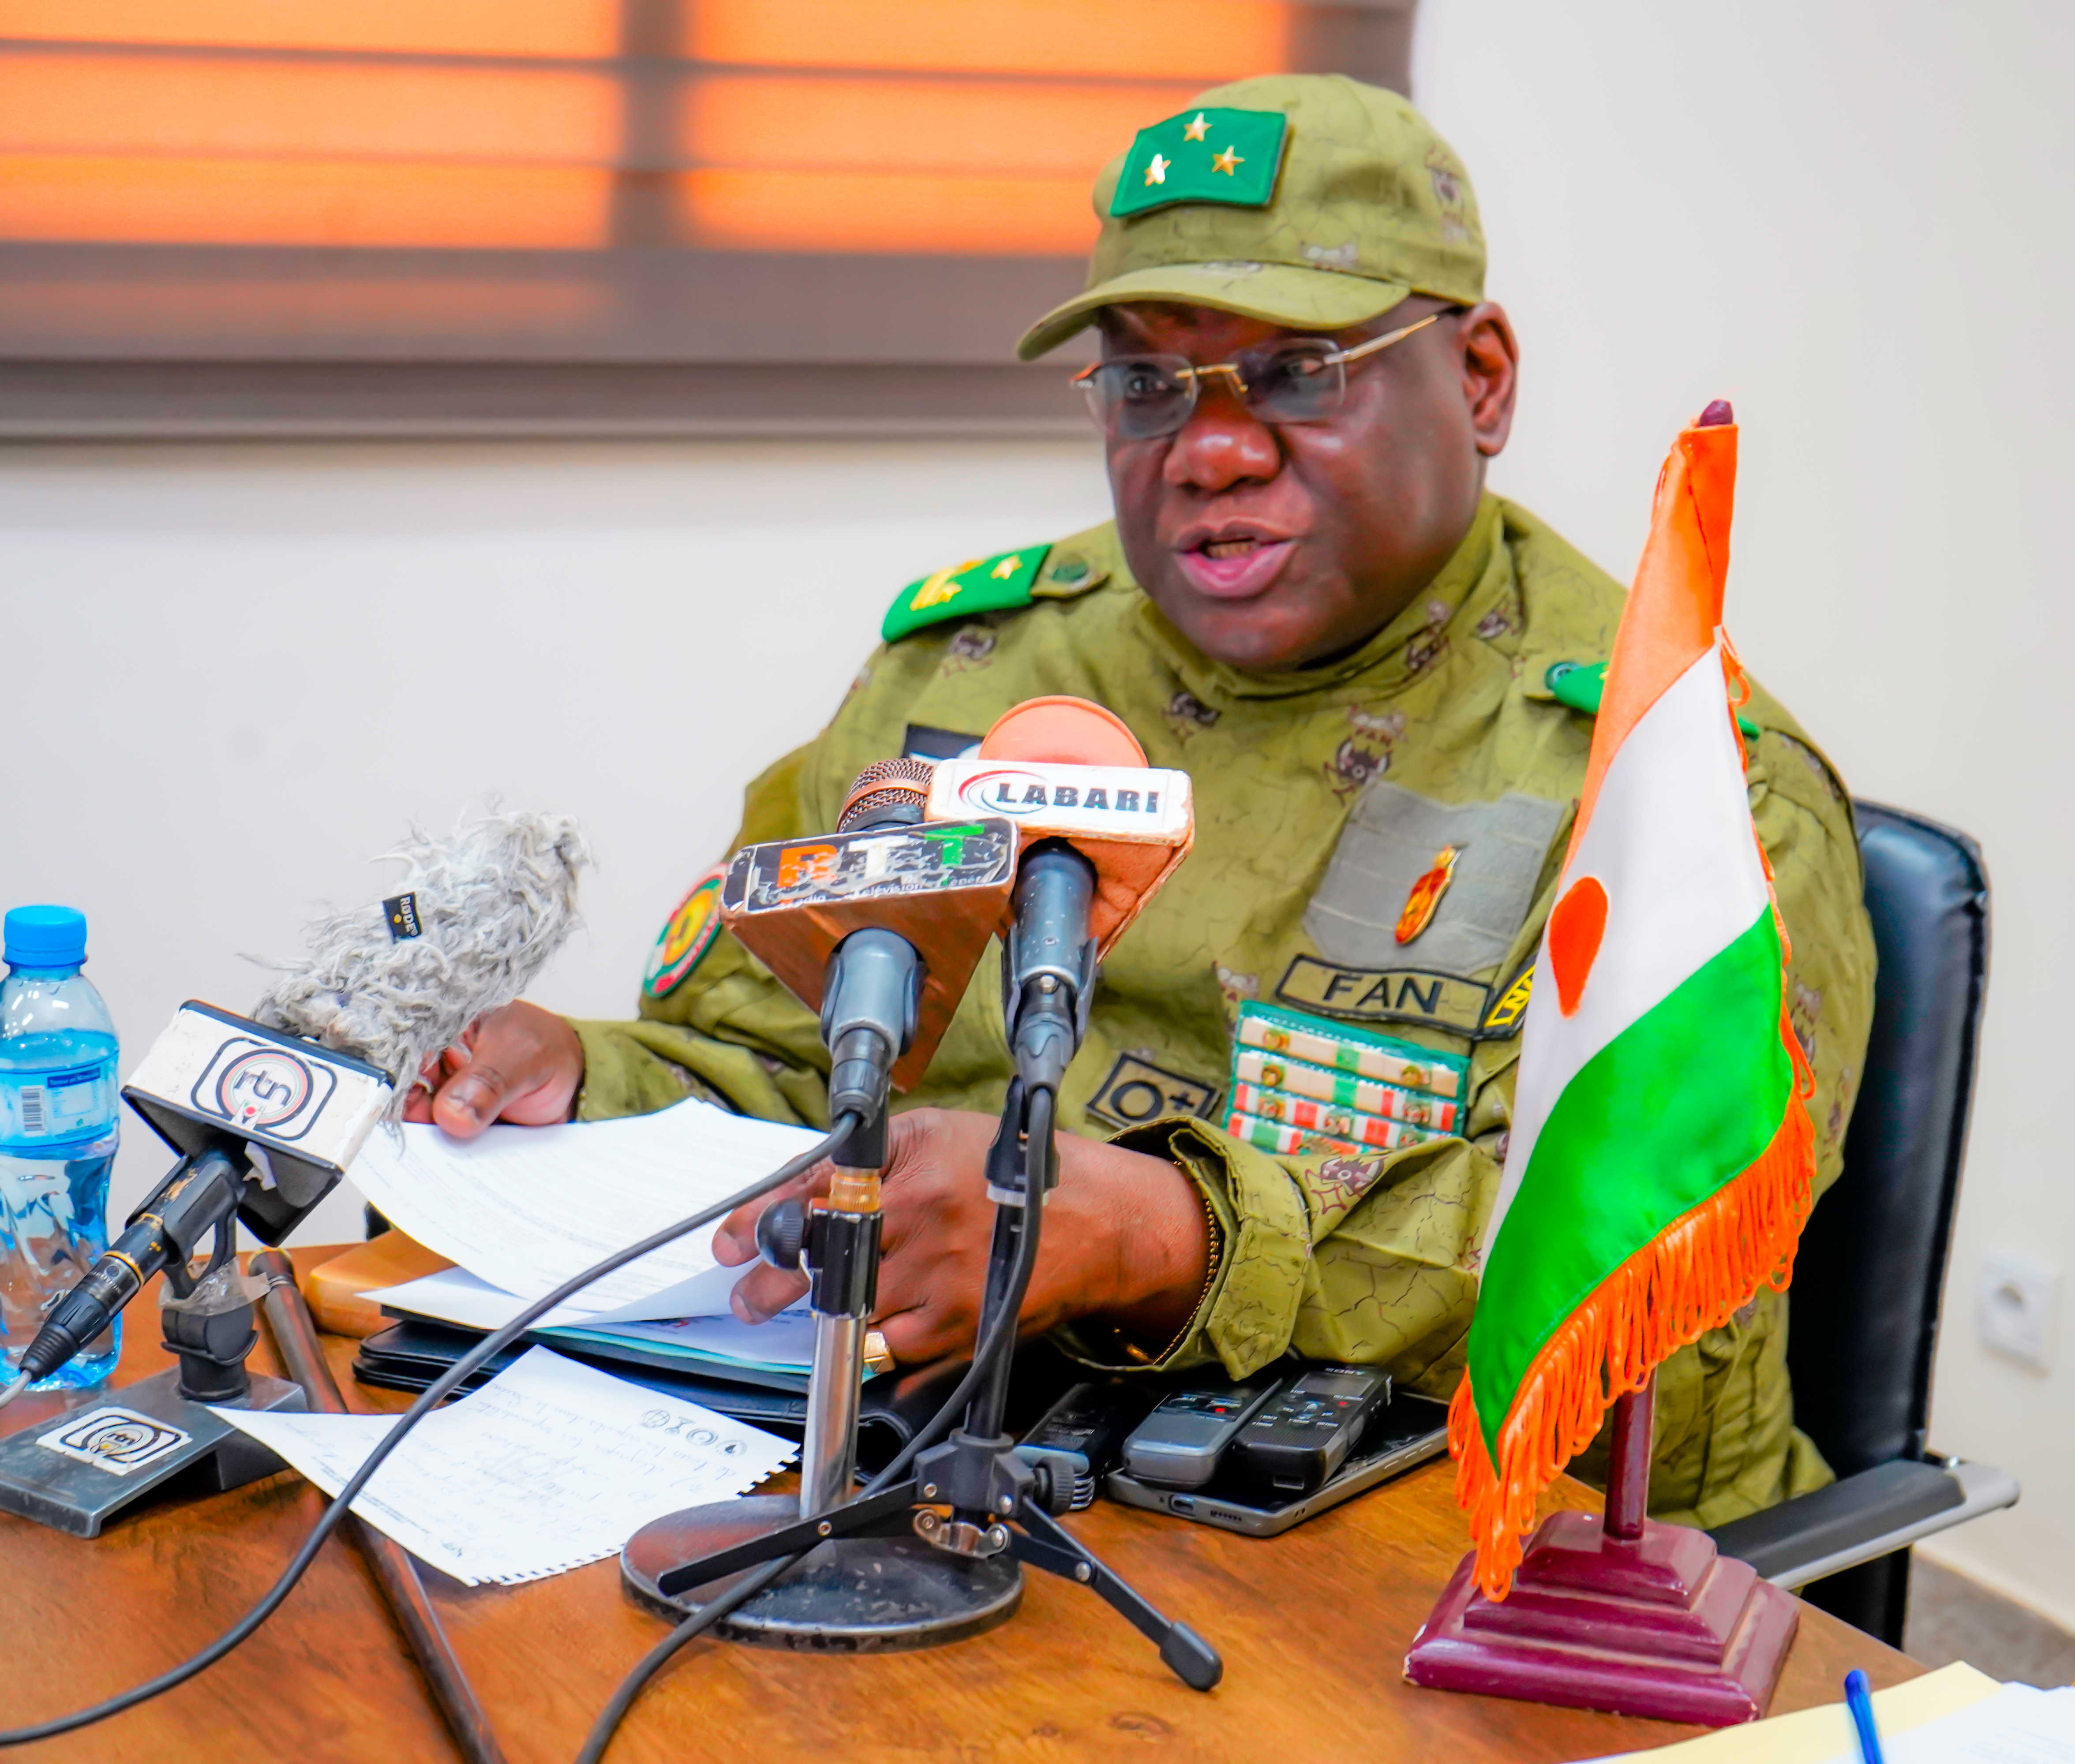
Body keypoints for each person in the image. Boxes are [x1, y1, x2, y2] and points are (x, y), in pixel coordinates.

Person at [408, 75, 1874, 1528]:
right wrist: (584, 1078)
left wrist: (1171, 1238)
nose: (1212, 452)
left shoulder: (1678, 796)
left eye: (1301, 373)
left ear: (1481, 380)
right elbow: (787, 1066)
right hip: (988, 1471)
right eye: (1146, 387)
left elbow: (1654, 1322)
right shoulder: (980, 672)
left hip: (1488, 1561)